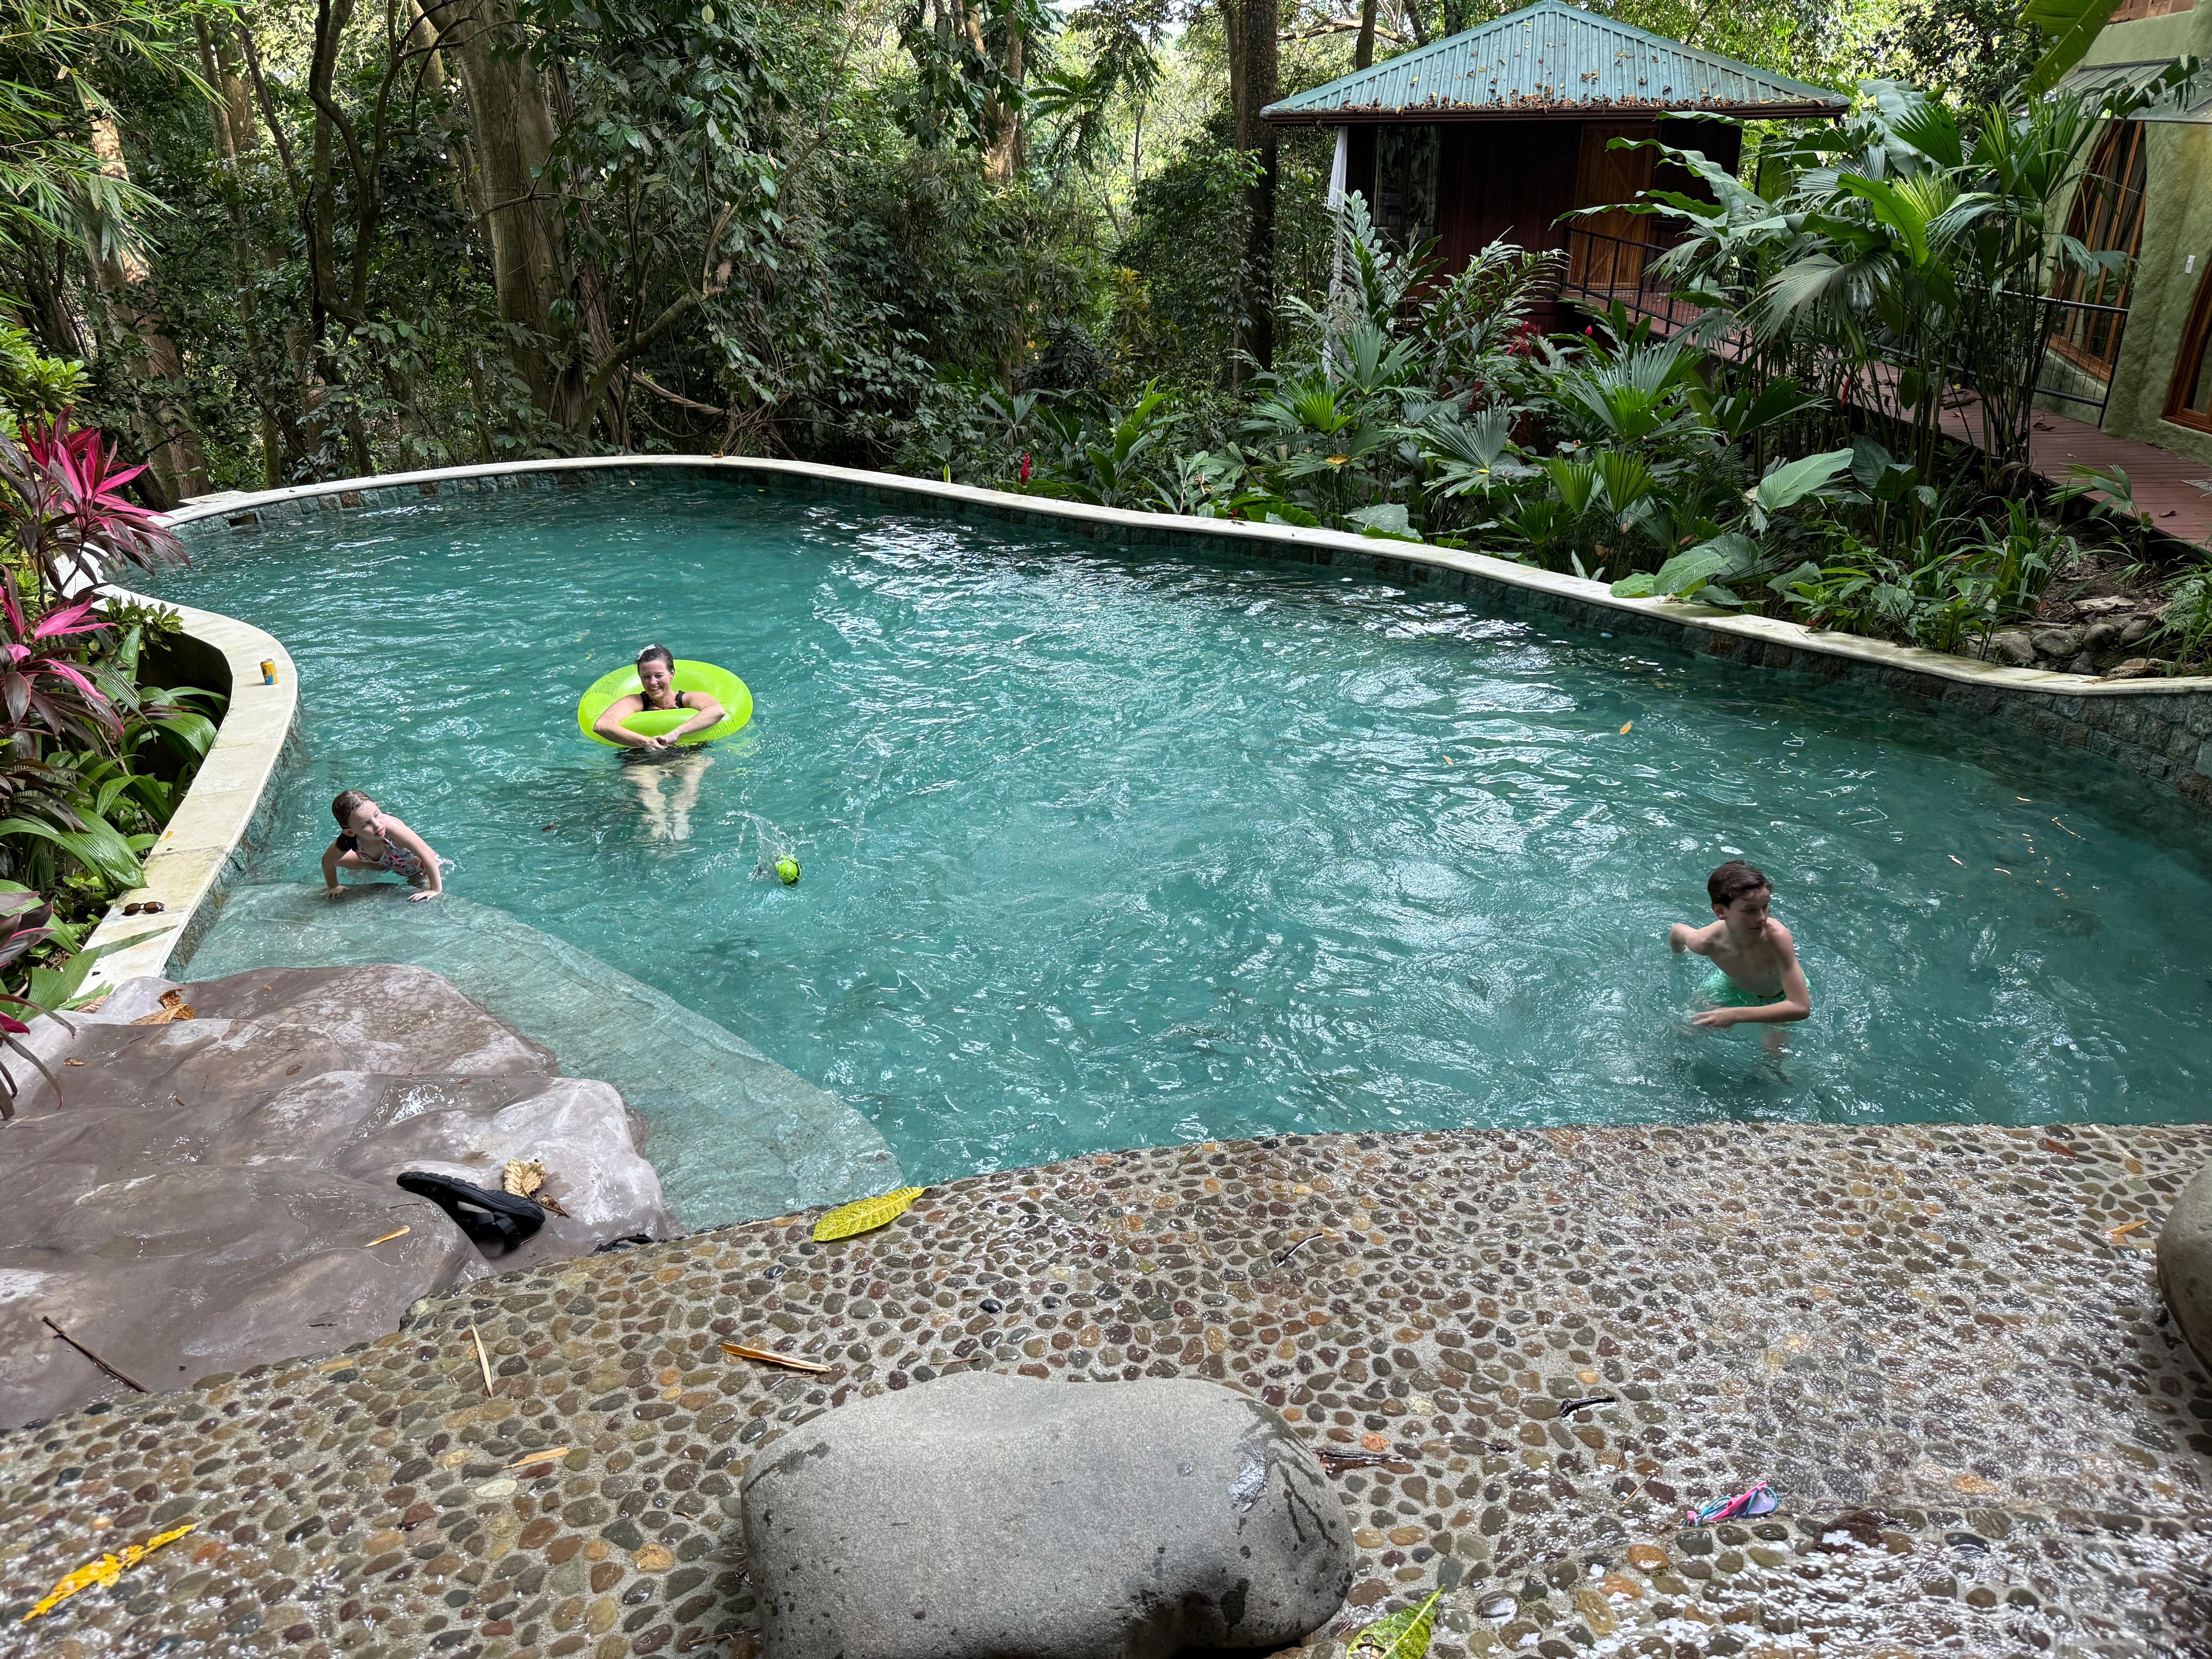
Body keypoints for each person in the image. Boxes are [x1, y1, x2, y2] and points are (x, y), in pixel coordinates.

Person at [1668, 860, 1809, 1052]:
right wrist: (1679, 958)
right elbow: (1677, 931)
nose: (1762, 917)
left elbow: (1800, 1007)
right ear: (1720, 911)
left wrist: (1735, 1015)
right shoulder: (1705, 942)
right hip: (1730, 988)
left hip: (1781, 997)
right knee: (1684, 1031)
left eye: (1765, 906)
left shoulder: (1776, 938)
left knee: (1771, 1060)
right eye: (1750, 910)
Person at [591, 644, 726, 752]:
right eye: (646, 677)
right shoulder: (636, 702)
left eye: (659, 676)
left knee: (691, 776)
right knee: (644, 782)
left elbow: (717, 711)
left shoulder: (687, 699)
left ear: (671, 674)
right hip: (642, 756)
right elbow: (602, 725)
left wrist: (677, 733)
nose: (653, 682)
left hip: (688, 752)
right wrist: (646, 742)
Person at [322, 790, 448, 901]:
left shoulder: (392, 829)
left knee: (417, 894)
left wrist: (435, 889)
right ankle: (379, 867)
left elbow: (428, 854)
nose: (377, 825)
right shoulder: (348, 840)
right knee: (340, 860)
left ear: (377, 807)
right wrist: (334, 886)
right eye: (366, 824)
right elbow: (328, 860)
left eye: (377, 815)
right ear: (350, 832)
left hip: (420, 870)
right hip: (386, 862)